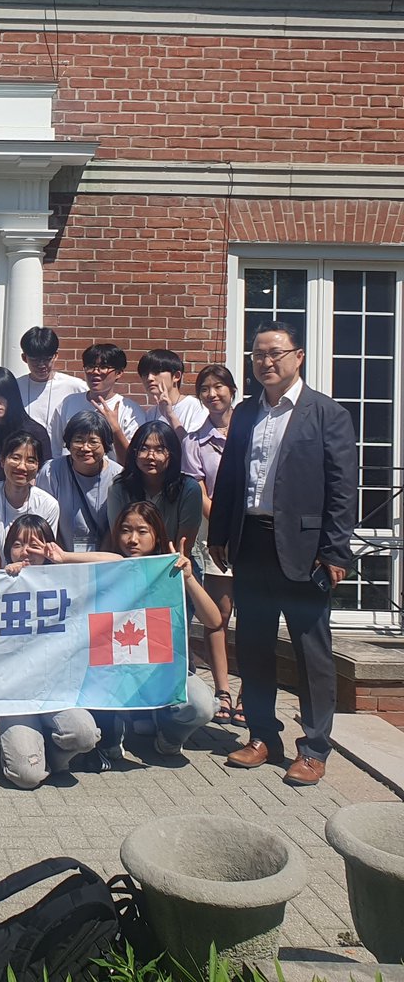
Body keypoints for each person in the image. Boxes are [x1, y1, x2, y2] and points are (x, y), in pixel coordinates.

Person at [209, 321, 357, 786]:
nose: (266, 362)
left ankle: (313, 748)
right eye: (257, 355)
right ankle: (262, 735)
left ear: (299, 357)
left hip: (305, 551)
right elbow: (231, 477)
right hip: (251, 542)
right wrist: (219, 533)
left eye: (275, 353)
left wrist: (334, 552)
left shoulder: (326, 414)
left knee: (312, 652)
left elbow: (342, 490)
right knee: (252, 646)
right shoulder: (248, 412)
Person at [80, 502, 221, 760]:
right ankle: (117, 728)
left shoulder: (173, 570)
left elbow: (213, 621)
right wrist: (60, 557)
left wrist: (188, 578)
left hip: (166, 671)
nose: (132, 539)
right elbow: (108, 560)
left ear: (156, 534)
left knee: (202, 706)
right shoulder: (107, 571)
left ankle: (169, 734)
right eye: (125, 530)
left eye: (142, 531)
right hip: (117, 670)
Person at [0, 514, 101, 788]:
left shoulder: (68, 581)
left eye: (35, 544)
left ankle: (52, 757)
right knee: (27, 778)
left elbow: (119, 565)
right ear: (8, 550)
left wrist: (65, 558)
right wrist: (5, 582)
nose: (26, 551)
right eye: (17, 544)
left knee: (85, 735)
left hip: (57, 692)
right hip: (15, 696)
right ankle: (28, 753)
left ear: (49, 546)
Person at [183, 365, 242, 726]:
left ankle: (249, 693)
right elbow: (199, 490)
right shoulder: (194, 441)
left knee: (253, 618)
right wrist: (225, 524)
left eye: (218, 386)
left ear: (232, 390)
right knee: (219, 616)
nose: (212, 394)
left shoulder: (251, 432)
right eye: (205, 388)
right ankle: (221, 690)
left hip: (256, 536)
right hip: (216, 538)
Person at [106, 421, 203, 572]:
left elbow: (184, 546)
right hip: (131, 566)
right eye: (143, 449)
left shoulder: (189, 489)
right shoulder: (119, 487)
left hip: (176, 566)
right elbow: (119, 538)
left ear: (172, 454)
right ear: (134, 452)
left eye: (160, 450)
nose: (150, 456)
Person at [36, 410, 123, 553]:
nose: (85, 448)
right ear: (68, 443)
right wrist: (62, 558)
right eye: (78, 440)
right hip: (59, 558)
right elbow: (44, 521)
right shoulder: (51, 472)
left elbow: (116, 526)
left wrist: (99, 560)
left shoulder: (118, 476)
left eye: (93, 442)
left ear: (105, 444)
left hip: (105, 560)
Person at [0, 432, 60, 568]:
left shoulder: (49, 505)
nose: (22, 467)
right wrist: (3, 581)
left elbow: (44, 554)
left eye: (30, 461)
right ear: (2, 461)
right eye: (15, 458)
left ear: (38, 467)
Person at [49, 344, 146, 463]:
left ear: (119, 373)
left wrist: (115, 430)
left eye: (103, 367)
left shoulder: (130, 410)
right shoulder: (69, 403)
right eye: (90, 366)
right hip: (70, 476)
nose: (95, 372)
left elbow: (134, 459)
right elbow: (55, 448)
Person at [17, 326, 88, 436]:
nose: (41, 365)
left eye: (47, 359)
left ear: (55, 356)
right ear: (24, 358)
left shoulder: (76, 387)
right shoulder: (15, 387)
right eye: (35, 360)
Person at [138, 350, 208, 440]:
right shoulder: (150, 413)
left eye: (156, 372)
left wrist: (170, 414)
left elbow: (192, 447)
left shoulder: (196, 407)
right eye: (145, 374)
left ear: (176, 376)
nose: (149, 378)